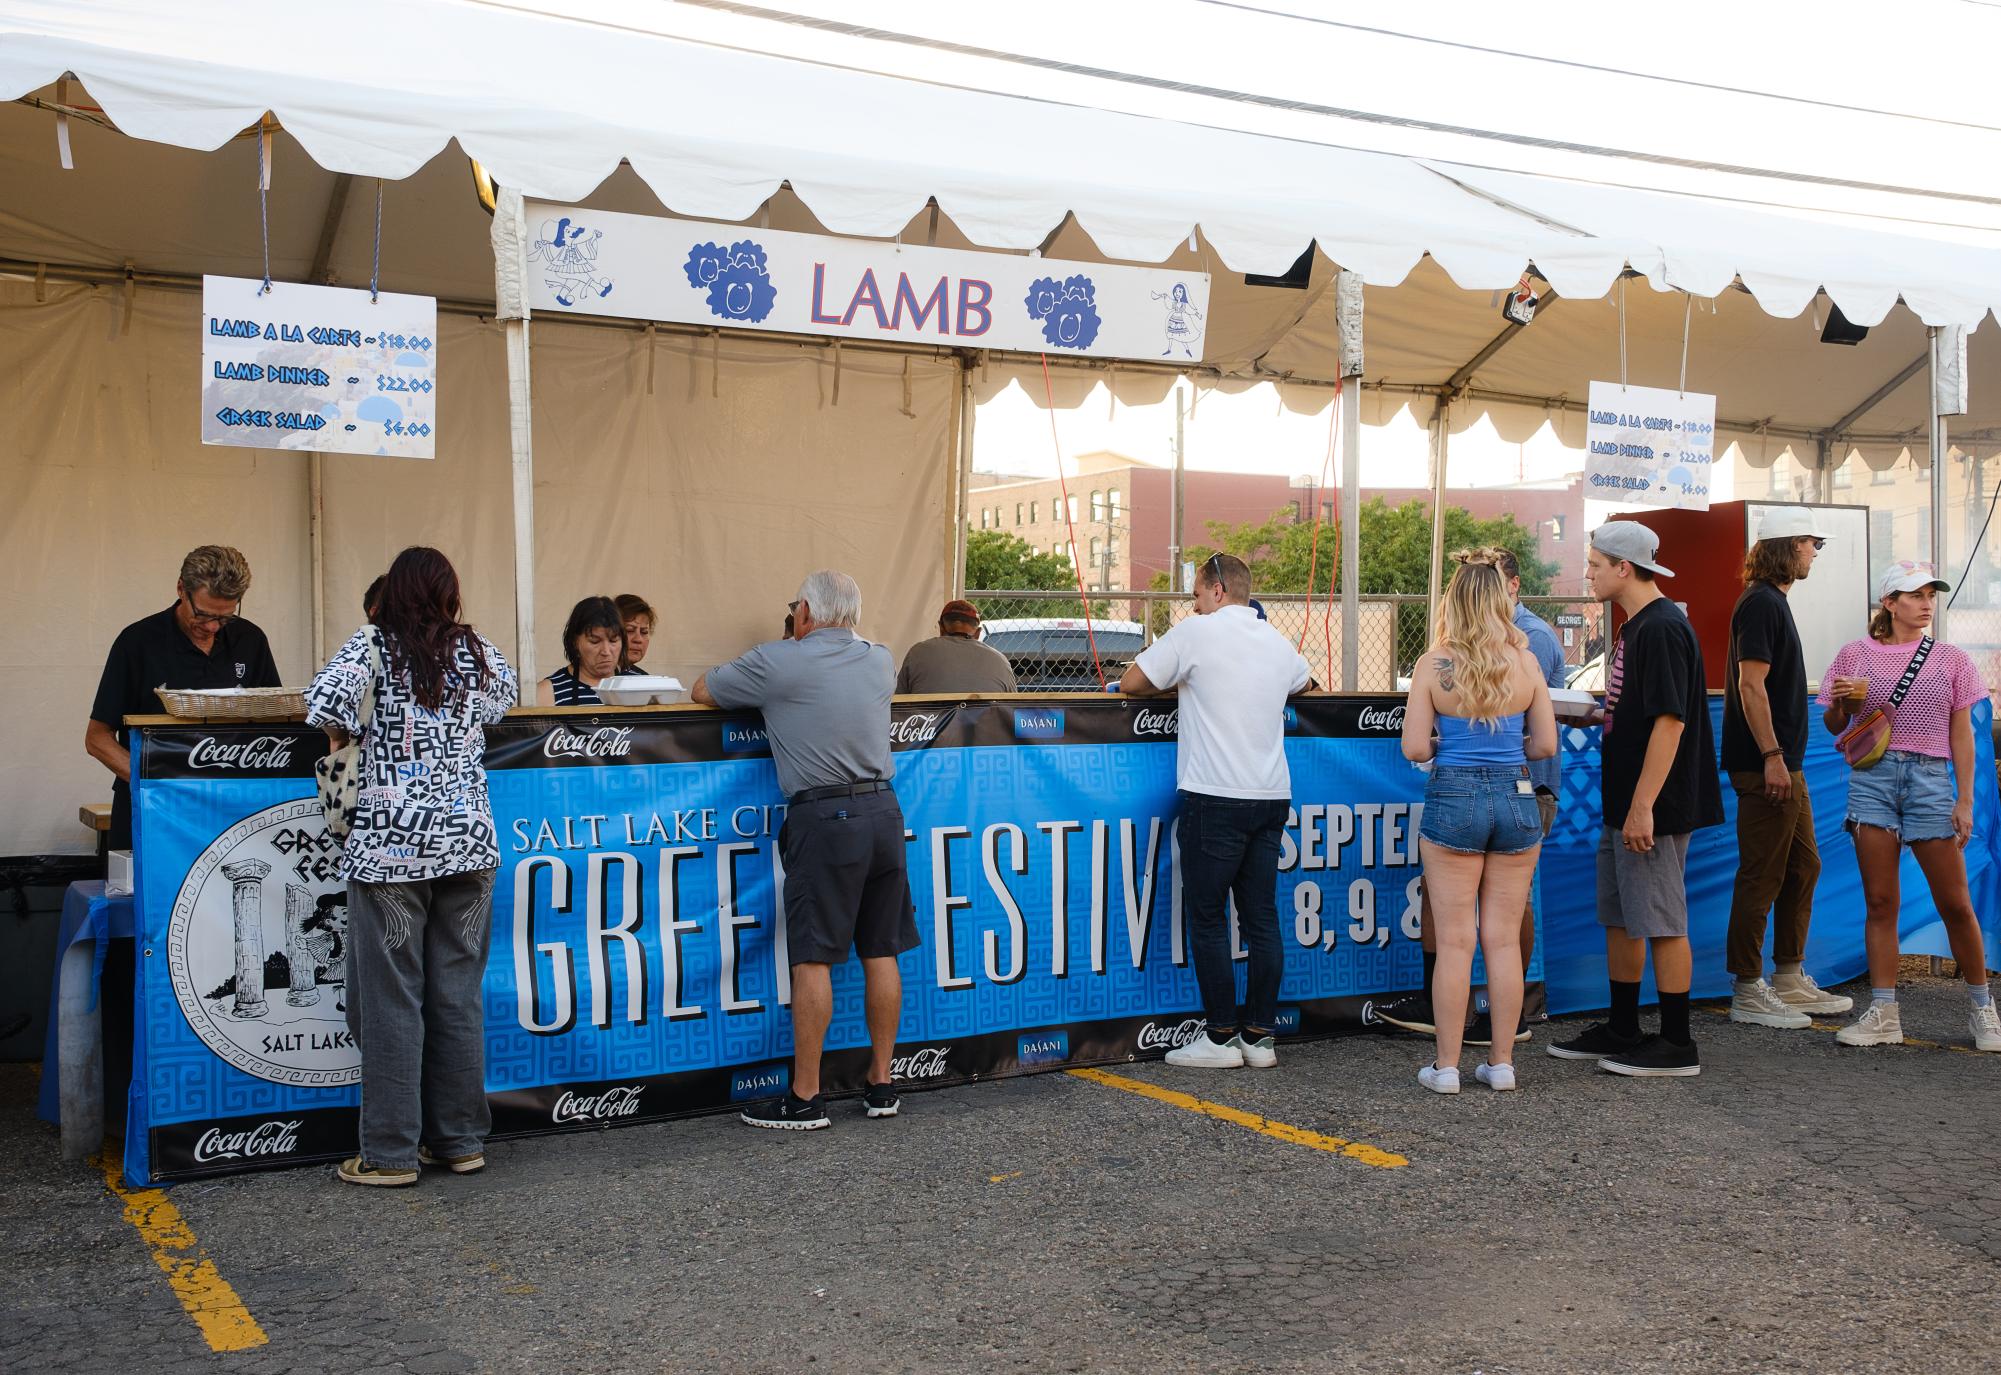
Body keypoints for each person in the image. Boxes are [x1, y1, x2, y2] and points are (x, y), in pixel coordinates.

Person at [306, 547, 518, 1185]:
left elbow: (323, 707)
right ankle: (460, 1141)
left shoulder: (372, 645)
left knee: (392, 999)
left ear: (392, 591)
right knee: (456, 995)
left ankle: (391, 1153)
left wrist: (356, 745)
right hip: (470, 845)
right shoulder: (476, 647)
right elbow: (501, 705)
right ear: (449, 592)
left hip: (391, 849)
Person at [692, 570, 918, 1129]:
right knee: (880, 949)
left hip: (824, 816)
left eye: (796, 608)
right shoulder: (879, 658)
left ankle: (806, 1096)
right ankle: (881, 1084)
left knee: (812, 955)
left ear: (807, 614)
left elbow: (703, 689)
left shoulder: (778, 660)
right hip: (883, 810)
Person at [1119, 553, 1313, 1069]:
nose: (1195, 603)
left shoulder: (1195, 633)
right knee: (1262, 918)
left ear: (1219, 590)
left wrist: (1179, 679)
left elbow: (1133, 682)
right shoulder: (1276, 641)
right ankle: (1260, 1037)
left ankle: (1222, 1037)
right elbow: (1305, 682)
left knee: (1207, 917)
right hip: (1271, 794)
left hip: (1214, 795)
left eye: (1199, 593)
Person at [1549, 522, 1722, 1078]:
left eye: (1596, 564)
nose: (1589, 573)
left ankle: (1677, 1042)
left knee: (1663, 918)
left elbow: (1671, 723)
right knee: (1622, 916)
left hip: (1654, 803)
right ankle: (1625, 1026)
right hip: (1625, 800)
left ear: (1624, 567)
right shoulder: (1637, 627)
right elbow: (1643, 710)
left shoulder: (1663, 628)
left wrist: (1644, 805)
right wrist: (1598, 713)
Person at [1378, 546, 1566, 1048]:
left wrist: (1450, 742)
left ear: (1453, 602)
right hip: (1516, 796)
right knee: (1502, 941)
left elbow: (1415, 746)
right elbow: (1546, 744)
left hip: (1453, 796)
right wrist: (1508, 744)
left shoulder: (1433, 663)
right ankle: (1502, 1062)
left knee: (1456, 942)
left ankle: (1445, 1067)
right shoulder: (1525, 662)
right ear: (1499, 601)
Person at [1818, 561, 1999, 1053]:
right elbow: (1836, 725)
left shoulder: (1951, 659)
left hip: (1929, 779)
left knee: (1955, 903)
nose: (1925, 604)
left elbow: (1963, 734)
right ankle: (1884, 1012)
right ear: (1889, 602)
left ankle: (1984, 1008)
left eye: (1929, 595)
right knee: (1880, 901)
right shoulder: (1855, 654)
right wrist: (1842, 706)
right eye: (1914, 595)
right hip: (1872, 781)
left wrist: (1964, 799)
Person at [1720, 507, 1849, 1029]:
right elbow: (1751, 685)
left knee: (1803, 866)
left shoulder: (1771, 601)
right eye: (1811, 542)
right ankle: (1748, 987)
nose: (1816, 551)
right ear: (1787, 545)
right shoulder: (1760, 603)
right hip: (1768, 763)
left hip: (1784, 762)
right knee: (1762, 873)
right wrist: (1772, 756)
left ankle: (1789, 976)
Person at [86, 545, 281, 850]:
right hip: (153, 810)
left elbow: (275, 725)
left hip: (230, 813)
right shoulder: (137, 642)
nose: (213, 627)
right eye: (202, 615)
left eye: (225, 617)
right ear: (181, 589)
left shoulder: (250, 640)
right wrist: (153, 785)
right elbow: (97, 739)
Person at [895, 599, 1018, 694]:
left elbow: (899, 705)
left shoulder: (917, 653)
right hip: (985, 727)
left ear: (941, 627)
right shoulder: (1000, 661)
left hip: (931, 726)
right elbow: (1013, 710)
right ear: (978, 633)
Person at [543, 596, 624, 705]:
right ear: (575, 642)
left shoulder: (640, 687)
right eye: (595, 641)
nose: (606, 651)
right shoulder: (548, 692)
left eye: (613, 640)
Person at [615, 593, 655, 673]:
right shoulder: (591, 677)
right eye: (629, 631)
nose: (638, 639)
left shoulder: (644, 679)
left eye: (644, 632)